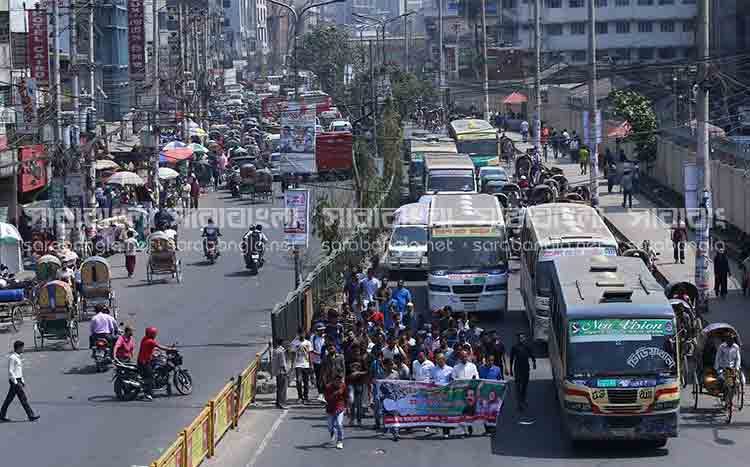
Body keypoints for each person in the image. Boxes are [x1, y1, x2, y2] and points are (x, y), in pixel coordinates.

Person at [0, 341, 39, 422]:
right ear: (18, 348)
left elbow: (19, 371)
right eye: (22, 347)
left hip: (18, 380)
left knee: (9, 399)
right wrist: (16, 382)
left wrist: (22, 380)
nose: (23, 349)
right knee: (23, 399)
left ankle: (1, 415)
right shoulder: (12, 357)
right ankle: (31, 415)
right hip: (15, 381)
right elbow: (11, 371)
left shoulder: (18, 357)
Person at [137, 327, 172, 401]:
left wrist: (154, 352)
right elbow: (160, 347)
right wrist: (170, 349)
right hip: (144, 363)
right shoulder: (151, 341)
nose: (156, 334)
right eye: (155, 333)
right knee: (150, 377)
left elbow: (149, 348)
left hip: (141, 361)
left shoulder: (144, 338)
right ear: (152, 334)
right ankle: (148, 394)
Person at [509, 333, 536, 411]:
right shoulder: (514, 347)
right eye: (520, 338)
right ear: (518, 339)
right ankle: (519, 403)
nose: (521, 339)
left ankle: (523, 400)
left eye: (523, 338)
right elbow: (511, 358)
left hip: (525, 369)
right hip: (517, 369)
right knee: (518, 387)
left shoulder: (527, 346)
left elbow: (532, 355)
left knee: (524, 386)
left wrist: (534, 363)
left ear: (525, 338)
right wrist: (510, 370)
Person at [345, 344, 368, 426]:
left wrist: (358, 373)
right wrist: (349, 376)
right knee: (352, 401)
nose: (356, 352)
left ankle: (359, 420)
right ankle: (352, 419)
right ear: (351, 351)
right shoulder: (348, 360)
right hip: (350, 383)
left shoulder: (362, 360)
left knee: (358, 403)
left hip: (359, 383)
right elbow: (345, 373)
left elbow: (366, 371)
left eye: (357, 351)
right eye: (354, 351)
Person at [430, 353, 453, 438]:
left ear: (444, 359)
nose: (440, 361)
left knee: (445, 413)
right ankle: (437, 426)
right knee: (438, 413)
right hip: (436, 394)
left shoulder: (450, 369)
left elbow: (453, 381)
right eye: (438, 359)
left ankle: (446, 431)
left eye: (441, 359)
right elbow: (431, 381)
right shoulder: (433, 370)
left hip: (446, 394)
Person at [324, 374, 347, 449]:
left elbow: (346, 397)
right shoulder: (328, 387)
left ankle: (340, 441)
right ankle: (332, 432)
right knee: (330, 426)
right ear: (333, 381)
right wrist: (335, 393)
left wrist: (347, 408)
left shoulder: (343, 386)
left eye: (340, 380)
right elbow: (326, 398)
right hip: (330, 409)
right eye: (337, 380)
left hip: (339, 408)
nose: (339, 382)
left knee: (339, 424)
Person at [291, 328, 313, 403]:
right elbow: (293, 354)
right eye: (300, 333)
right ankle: (300, 396)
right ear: (298, 334)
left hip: (306, 364)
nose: (302, 335)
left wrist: (311, 364)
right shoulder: (294, 343)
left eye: (303, 333)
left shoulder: (308, 343)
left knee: (306, 381)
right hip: (298, 364)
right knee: (299, 380)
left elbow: (310, 354)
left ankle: (306, 397)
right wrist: (292, 365)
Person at [271, 339, 289, 409]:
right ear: (282, 343)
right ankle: (282, 403)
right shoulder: (281, 351)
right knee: (283, 389)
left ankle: (278, 403)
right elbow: (282, 363)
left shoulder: (275, 350)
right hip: (282, 372)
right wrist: (286, 372)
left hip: (277, 372)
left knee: (279, 388)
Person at [310, 324, 326, 398]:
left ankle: (326, 392)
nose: (322, 331)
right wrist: (318, 354)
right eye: (320, 330)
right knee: (319, 377)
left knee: (325, 377)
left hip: (325, 360)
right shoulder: (313, 337)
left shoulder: (325, 337)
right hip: (317, 361)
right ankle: (320, 393)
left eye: (323, 330)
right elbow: (311, 349)